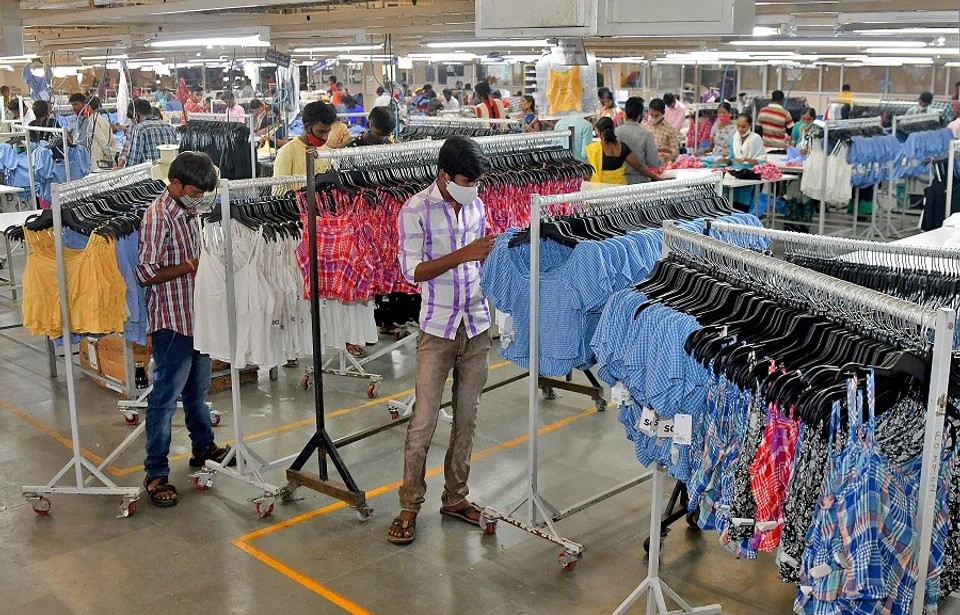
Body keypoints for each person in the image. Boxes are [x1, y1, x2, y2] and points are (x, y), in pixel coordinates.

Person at [389, 135, 495, 545]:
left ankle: (456, 497)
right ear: (443, 176)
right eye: (466, 181)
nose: (472, 189)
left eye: (476, 183)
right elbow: (411, 271)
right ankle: (409, 503)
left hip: (477, 322)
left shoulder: (477, 204)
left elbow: (479, 256)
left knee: (467, 418)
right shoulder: (416, 209)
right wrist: (464, 254)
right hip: (437, 328)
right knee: (424, 421)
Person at [135, 151, 234, 508]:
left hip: (198, 316)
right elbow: (145, 273)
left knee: (198, 389)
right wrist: (189, 266)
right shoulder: (158, 218)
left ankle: (203, 446)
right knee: (163, 399)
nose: (200, 199)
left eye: (204, 194)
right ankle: (156, 472)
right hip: (173, 321)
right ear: (175, 184)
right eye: (195, 191)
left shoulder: (190, 211)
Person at [271, 101, 341, 194]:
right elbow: (278, 192)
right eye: (321, 132)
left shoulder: (325, 151)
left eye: (328, 132)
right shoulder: (287, 152)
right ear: (307, 127)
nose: (325, 137)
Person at [586, 117, 655, 185]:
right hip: (620, 187)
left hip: (601, 188)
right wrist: (656, 177)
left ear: (599, 132)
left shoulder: (594, 149)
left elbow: (588, 172)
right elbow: (638, 166)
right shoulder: (622, 146)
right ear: (613, 129)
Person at [722, 113, 766, 211]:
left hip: (748, 174)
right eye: (738, 126)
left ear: (750, 125)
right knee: (729, 203)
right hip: (734, 174)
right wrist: (725, 160)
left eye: (743, 126)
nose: (740, 129)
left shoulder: (756, 139)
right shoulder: (734, 138)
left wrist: (746, 159)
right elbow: (732, 157)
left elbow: (762, 161)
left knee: (742, 205)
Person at [615, 97, 662, 184]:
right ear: (640, 115)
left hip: (619, 181)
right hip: (640, 182)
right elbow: (653, 162)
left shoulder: (615, 132)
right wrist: (664, 159)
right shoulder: (646, 135)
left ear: (625, 113)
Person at [120, 98, 178, 167]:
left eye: (132, 120)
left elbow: (133, 161)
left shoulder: (140, 128)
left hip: (149, 174)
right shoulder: (170, 127)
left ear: (136, 116)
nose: (133, 123)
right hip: (168, 174)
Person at [641, 98, 679, 163]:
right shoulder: (643, 126)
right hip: (646, 165)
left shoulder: (669, 129)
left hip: (663, 165)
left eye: (656, 115)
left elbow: (676, 152)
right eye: (651, 114)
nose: (653, 117)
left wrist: (668, 151)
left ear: (663, 113)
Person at [87, 97, 116, 167]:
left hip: (98, 161)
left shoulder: (94, 121)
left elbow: (102, 141)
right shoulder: (104, 120)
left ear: (89, 107)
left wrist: (110, 157)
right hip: (105, 159)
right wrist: (112, 155)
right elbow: (113, 141)